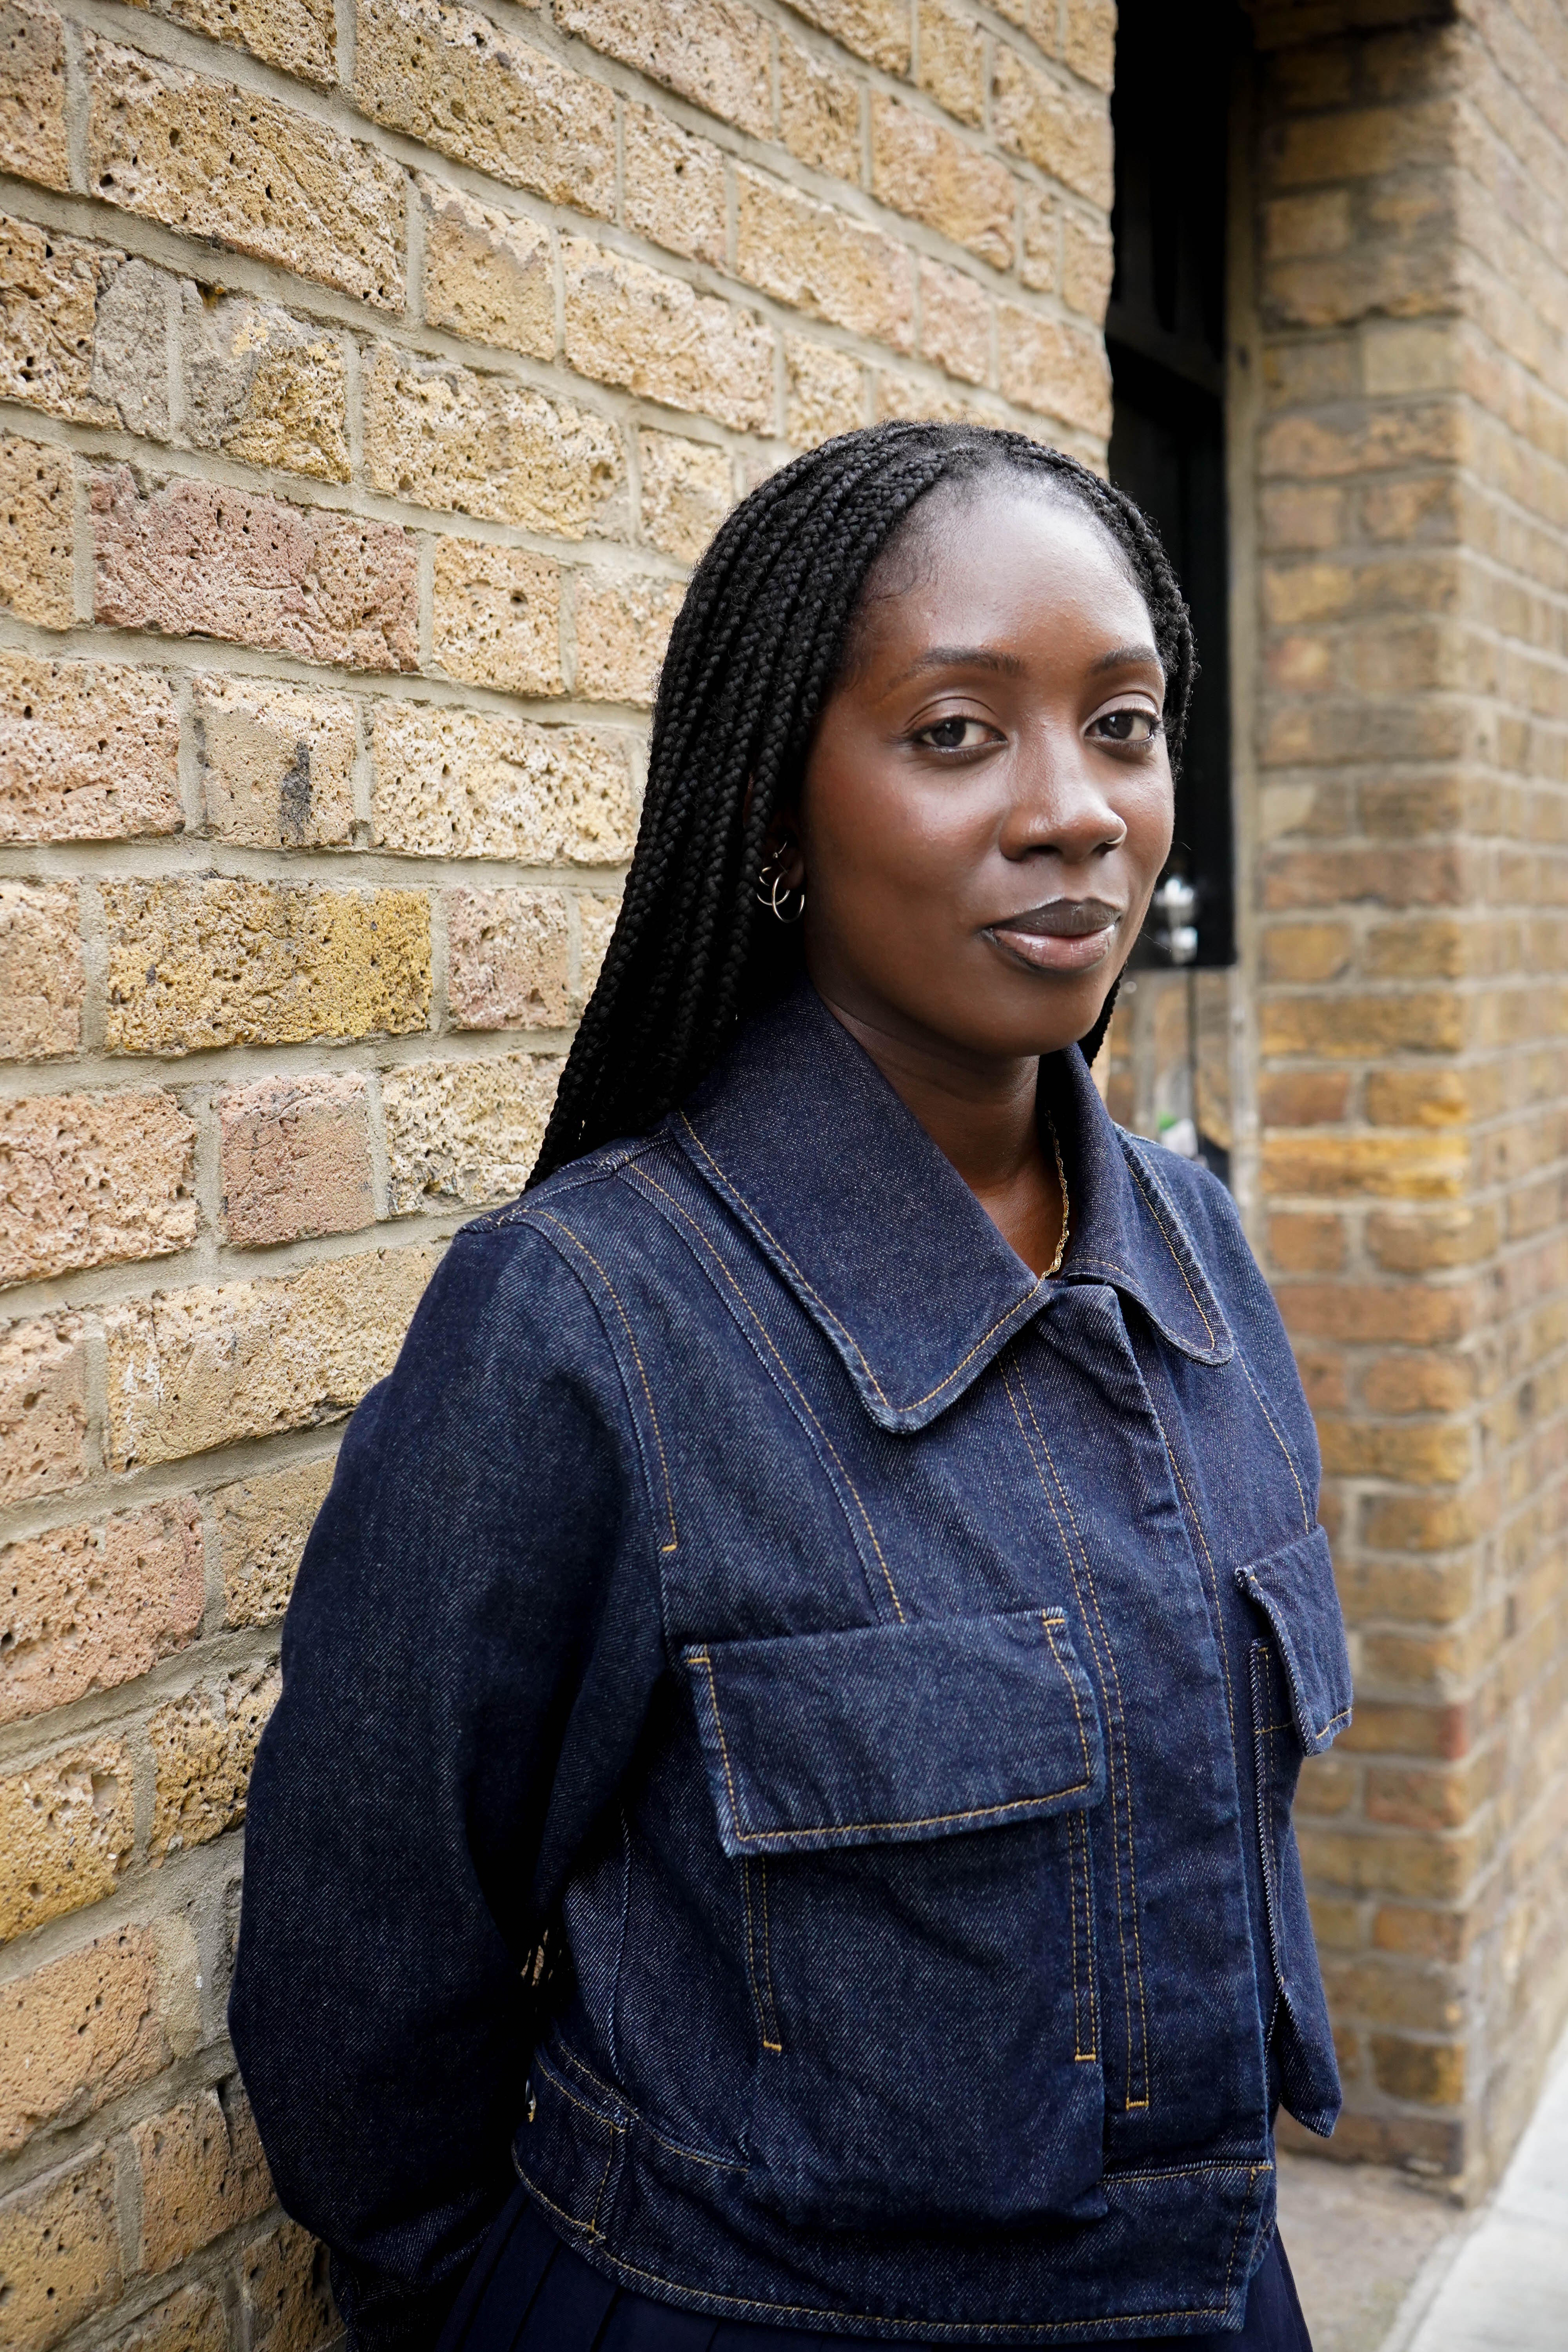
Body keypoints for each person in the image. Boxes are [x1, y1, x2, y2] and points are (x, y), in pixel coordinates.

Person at [230, 421, 1349, 2351]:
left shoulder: (1199, 1249)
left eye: (1124, 724)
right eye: (953, 732)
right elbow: (365, 1980)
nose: (1074, 808)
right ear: (771, 814)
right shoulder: (584, 1319)